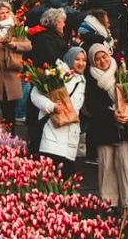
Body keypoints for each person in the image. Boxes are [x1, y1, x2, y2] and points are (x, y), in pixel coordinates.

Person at [86, 44, 128, 211]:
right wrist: (110, 114)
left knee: (127, 165)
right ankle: (109, 201)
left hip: (125, 126)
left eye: (104, 56)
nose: (102, 61)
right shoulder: (91, 78)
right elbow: (92, 106)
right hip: (104, 127)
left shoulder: (121, 71)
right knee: (107, 165)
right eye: (97, 59)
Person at [30, 46, 86, 178]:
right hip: (52, 134)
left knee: (66, 179)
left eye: (84, 60)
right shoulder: (56, 75)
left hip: (71, 137)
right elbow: (35, 94)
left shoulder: (83, 81)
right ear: (70, 59)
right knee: (49, 177)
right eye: (77, 59)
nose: (81, 63)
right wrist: (51, 106)